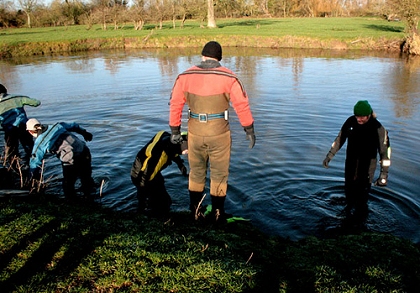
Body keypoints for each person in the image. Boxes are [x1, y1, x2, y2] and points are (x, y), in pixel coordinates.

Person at [169, 41, 256, 223]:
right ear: (219, 58)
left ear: (202, 56)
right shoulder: (230, 77)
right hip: (220, 134)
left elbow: (175, 104)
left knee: (196, 172)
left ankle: (195, 213)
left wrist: (175, 131)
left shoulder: (184, 76)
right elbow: (241, 105)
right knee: (219, 174)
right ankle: (218, 214)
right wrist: (249, 129)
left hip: (194, 133)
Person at [322, 100, 391, 219]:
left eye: (362, 117)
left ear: (369, 115)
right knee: (349, 193)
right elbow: (340, 139)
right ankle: (347, 218)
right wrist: (329, 156)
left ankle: (361, 223)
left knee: (362, 198)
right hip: (351, 164)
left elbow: (385, 153)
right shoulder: (350, 122)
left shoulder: (378, 129)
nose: (359, 119)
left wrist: (383, 175)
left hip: (367, 168)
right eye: (357, 116)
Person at [26, 118, 94, 199]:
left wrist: (31, 177)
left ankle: (73, 204)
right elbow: (73, 125)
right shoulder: (57, 125)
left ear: (30, 131)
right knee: (86, 179)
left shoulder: (40, 142)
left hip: (70, 159)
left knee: (68, 185)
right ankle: (91, 198)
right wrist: (84, 132)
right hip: (84, 150)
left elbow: (35, 161)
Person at [130, 130, 188, 217]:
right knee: (162, 204)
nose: (188, 153)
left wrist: (180, 164)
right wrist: (142, 202)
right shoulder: (158, 156)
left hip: (149, 172)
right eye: (187, 151)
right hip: (140, 175)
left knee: (166, 201)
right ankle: (144, 214)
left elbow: (173, 149)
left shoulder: (168, 137)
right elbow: (144, 179)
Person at [0, 84, 41, 166]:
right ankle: (34, 166)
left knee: (11, 152)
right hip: (24, 127)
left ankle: (14, 168)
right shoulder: (17, 98)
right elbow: (36, 103)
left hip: (9, 130)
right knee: (30, 149)